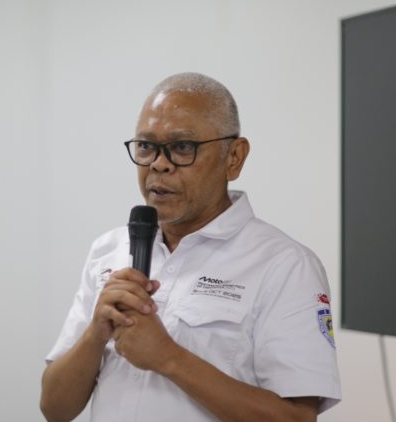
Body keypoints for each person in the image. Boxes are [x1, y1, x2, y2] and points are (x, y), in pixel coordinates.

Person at [40, 73, 341, 422]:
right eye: (146, 146)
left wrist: (169, 358)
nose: (159, 163)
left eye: (183, 147)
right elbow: (54, 408)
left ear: (234, 157)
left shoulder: (285, 265)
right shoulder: (109, 249)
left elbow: (296, 418)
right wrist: (95, 334)